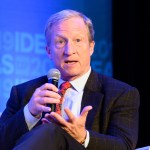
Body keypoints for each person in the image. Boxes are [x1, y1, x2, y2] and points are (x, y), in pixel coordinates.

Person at [0, 9, 140, 150]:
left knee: (50, 130)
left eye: (78, 40)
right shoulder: (24, 92)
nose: (69, 51)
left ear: (91, 47)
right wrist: (29, 113)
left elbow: (125, 146)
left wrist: (84, 137)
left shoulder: (121, 94)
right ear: (48, 51)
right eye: (60, 42)